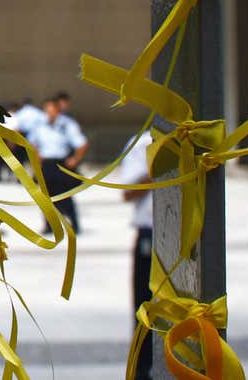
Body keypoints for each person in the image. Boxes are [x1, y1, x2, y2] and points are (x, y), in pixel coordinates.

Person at [113, 130, 157, 380]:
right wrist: (162, 169)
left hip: (188, 233)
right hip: (150, 233)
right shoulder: (142, 144)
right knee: (145, 308)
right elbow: (128, 191)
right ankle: (143, 370)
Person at [27, 91, 89, 233]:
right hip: (46, 164)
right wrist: (37, 159)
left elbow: (82, 143)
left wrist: (75, 159)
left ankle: (74, 223)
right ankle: (50, 224)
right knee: (46, 197)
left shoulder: (66, 124)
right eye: (47, 109)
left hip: (61, 163)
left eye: (52, 109)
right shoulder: (40, 125)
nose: (49, 112)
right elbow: (32, 143)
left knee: (65, 196)